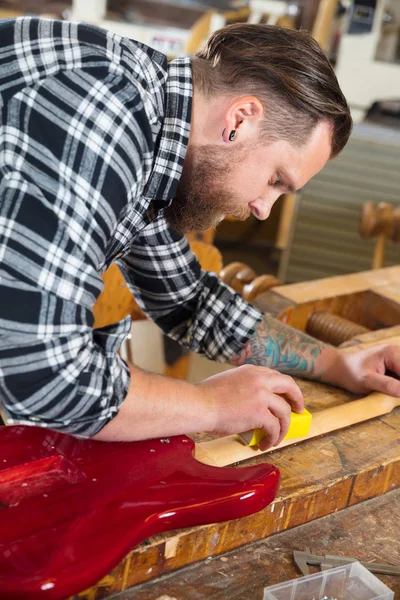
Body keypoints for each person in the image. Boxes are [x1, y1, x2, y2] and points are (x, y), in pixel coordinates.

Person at [0, 17, 399, 451]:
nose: (264, 210)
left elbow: (189, 301)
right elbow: (41, 373)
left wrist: (341, 364)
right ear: (240, 119)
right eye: (275, 180)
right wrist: (210, 404)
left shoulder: (154, 132)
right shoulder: (102, 114)